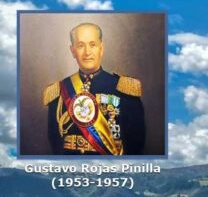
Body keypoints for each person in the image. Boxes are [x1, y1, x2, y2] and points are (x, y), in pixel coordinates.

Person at [43, 22, 145, 155]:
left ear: (101, 48)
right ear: (73, 51)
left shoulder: (123, 89)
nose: (87, 52)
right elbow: (55, 142)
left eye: (93, 45)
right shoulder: (59, 91)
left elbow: (136, 142)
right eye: (80, 46)